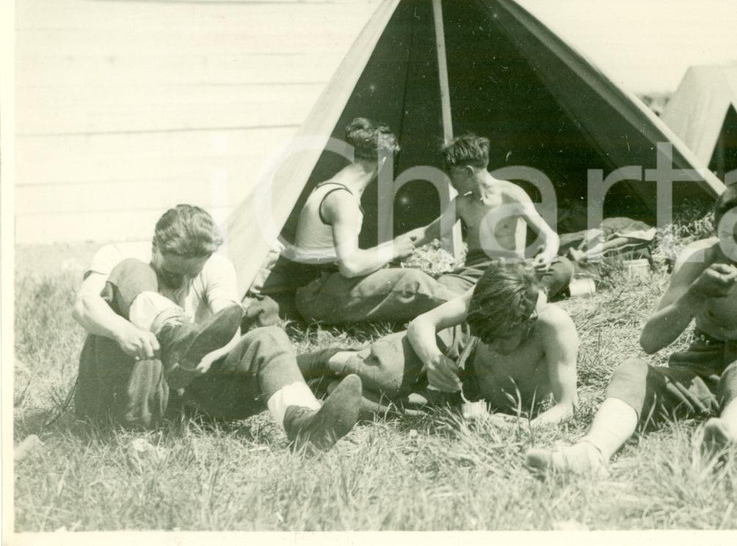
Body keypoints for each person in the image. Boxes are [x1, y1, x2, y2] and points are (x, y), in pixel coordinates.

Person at [525, 182, 737, 476]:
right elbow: (650, 341)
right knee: (632, 371)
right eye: (728, 238)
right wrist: (696, 294)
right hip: (701, 368)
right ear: (714, 229)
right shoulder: (697, 261)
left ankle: (726, 442)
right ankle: (591, 452)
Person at [73, 204, 362, 452]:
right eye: (172, 273)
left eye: (192, 273)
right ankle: (170, 330)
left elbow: (229, 324)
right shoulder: (120, 255)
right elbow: (84, 305)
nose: (182, 282)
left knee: (270, 337)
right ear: (154, 247)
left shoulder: (217, 266)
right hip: (119, 392)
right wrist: (122, 331)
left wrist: (209, 357)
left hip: (182, 392)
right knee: (133, 270)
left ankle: (304, 424)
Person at [297, 262, 579, 425]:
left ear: (527, 320)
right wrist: (433, 359)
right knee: (387, 373)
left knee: (378, 407)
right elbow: (422, 323)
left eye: (501, 338)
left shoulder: (554, 327)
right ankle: (323, 360)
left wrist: (527, 427)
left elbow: (568, 406)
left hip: (468, 396)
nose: (492, 347)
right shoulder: (495, 295)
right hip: (459, 345)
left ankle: (323, 386)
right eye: (487, 338)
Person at [293, 118, 460, 325]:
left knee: (398, 273)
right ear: (383, 159)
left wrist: (391, 246)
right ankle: (475, 310)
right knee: (413, 281)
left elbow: (345, 256)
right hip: (317, 297)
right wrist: (393, 250)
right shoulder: (343, 200)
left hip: (316, 288)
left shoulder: (329, 187)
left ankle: (464, 304)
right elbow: (350, 266)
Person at [410, 133, 574, 299]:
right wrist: (396, 246)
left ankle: (497, 298)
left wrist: (547, 255)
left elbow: (549, 235)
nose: (450, 181)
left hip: (511, 271)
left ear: (468, 171)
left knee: (563, 267)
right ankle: (516, 298)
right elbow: (427, 233)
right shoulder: (461, 203)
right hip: (475, 274)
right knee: (445, 283)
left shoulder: (511, 194)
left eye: (451, 174)